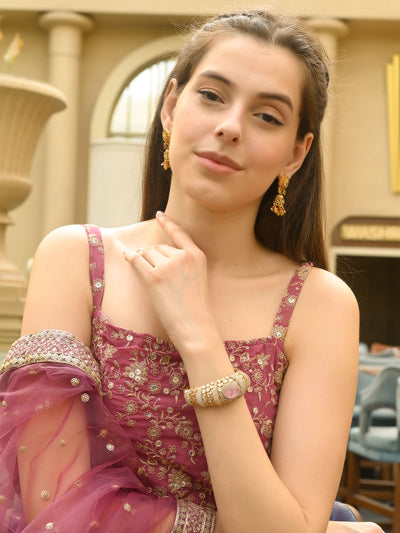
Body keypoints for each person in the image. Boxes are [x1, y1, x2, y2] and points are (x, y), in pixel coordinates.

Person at [0, 9, 383, 533]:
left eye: (267, 117)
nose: (230, 127)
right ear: (170, 107)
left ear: (296, 154)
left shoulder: (321, 305)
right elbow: (54, 508)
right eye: (211, 96)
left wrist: (199, 336)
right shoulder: (75, 260)